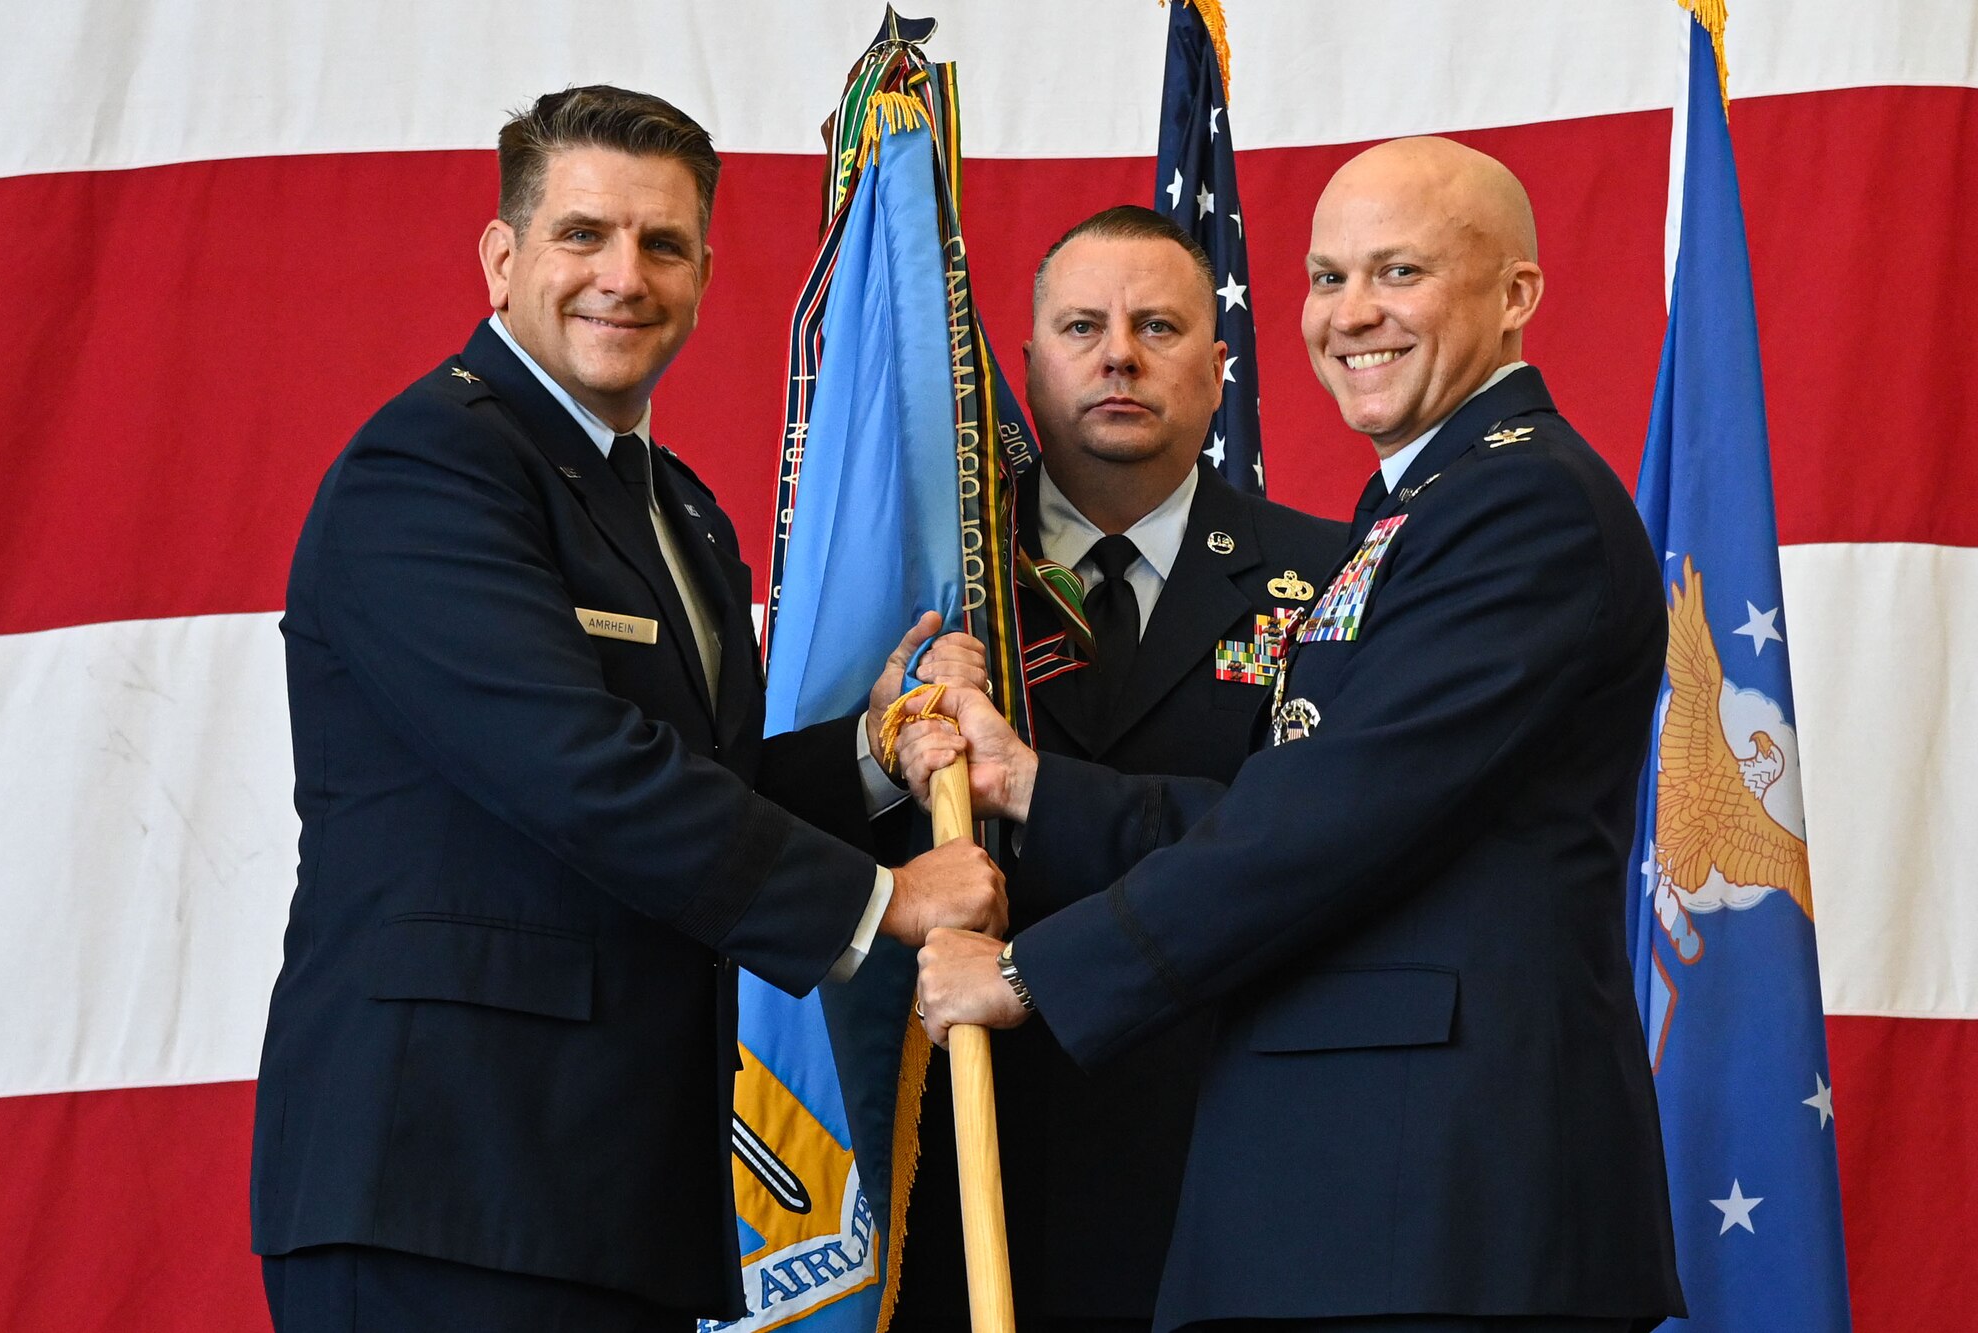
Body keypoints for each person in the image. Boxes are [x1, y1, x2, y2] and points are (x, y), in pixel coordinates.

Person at [249, 85, 1007, 1333]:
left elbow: (694, 772)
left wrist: (873, 754)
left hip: (611, 1196)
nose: (623, 276)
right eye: (582, 235)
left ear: (705, 273)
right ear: (502, 259)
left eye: (662, 245)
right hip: (443, 1185)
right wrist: (885, 901)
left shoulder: (682, 512)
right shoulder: (428, 468)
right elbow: (576, 770)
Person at [899, 137, 1686, 1333]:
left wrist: (1028, 976)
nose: (1351, 313)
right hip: (1364, 1208)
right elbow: (1296, 802)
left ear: (1514, 294)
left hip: (1436, 1213)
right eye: (1326, 278)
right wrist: (1024, 782)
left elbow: (1328, 824)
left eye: (1399, 272)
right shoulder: (1423, 507)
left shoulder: (1521, 506)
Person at [893, 207, 1345, 1333]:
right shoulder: (931, 581)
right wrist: (883, 743)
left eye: (1157, 326)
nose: (1118, 356)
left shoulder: (1327, 577)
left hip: (1212, 1143)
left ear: (1217, 366)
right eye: (1081, 326)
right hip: (953, 1136)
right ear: (1031, 359)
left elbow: (1316, 842)